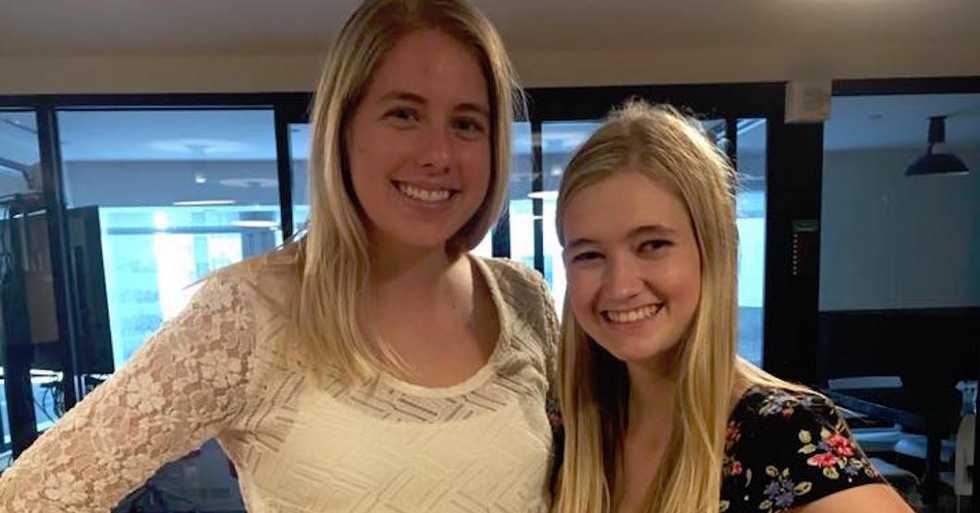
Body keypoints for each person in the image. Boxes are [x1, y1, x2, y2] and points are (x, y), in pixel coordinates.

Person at [0, 1, 560, 512]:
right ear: (344, 130)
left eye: (466, 124)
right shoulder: (247, 315)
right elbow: (29, 497)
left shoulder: (522, 299)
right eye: (404, 115)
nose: (439, 153)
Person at [551, 100, 914, 513]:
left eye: (652, 245)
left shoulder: (779, 432)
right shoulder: (569, 426)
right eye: (589, 255)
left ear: (713, 251)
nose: (620, 287)